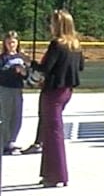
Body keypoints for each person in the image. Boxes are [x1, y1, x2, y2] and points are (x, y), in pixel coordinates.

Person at [31, 10, 84, 188]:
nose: (50, 26)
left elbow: (45, 68)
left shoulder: (56, 44)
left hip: (53, 92)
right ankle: (49, 173)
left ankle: (58, 175)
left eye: (52, 22)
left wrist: (27, 61)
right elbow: (80, 67)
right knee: (50, 131)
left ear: (59, 25)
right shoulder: (76, 45)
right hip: (66, 91)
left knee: (53, 133)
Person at [1, 31, 29, 155]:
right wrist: (11, 70)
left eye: (13, 42)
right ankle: (5, 142)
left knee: (17, 115)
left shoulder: (21, 57)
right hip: (5, 88)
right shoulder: (3, 58)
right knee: (5, 116)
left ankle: (12, 140)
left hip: (17, 88)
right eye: (9, 42)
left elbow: (27, 74)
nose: (11, 45)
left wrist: (23, 72)